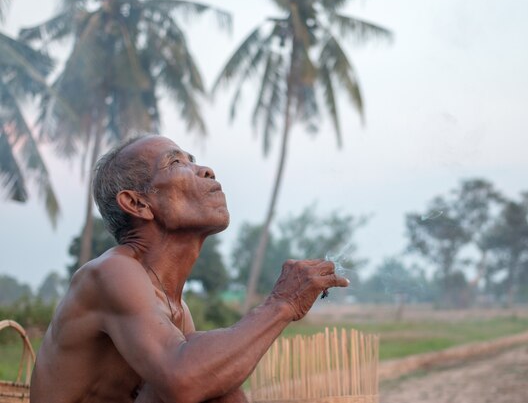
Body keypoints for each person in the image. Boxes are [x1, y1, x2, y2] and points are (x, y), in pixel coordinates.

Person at [30, 135, 349, 403]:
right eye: (177, 163)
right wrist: (282, 303)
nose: (206, 170)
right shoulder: (110, 273)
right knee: (201, 376)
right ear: (138, 204)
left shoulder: (177, 308)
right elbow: (182, 380)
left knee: (217, 382)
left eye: (193, 160)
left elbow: (200, 377)